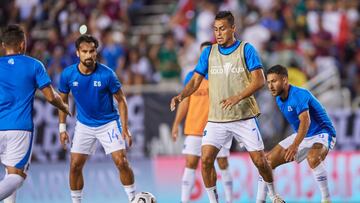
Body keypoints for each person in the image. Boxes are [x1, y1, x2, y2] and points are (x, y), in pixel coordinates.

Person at [170, 11, 284, 203]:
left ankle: (273, 194)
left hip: (244, 116)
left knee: (260, 161)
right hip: (217, 120)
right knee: (206, 160)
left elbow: (260, 80)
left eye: (222, 29)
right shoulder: (208, 52)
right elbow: (196, 80)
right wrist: (181, 96)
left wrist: (238, 97)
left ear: (233, 28)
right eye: (215, 30)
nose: (218, 33)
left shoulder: (246, 49)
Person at [58, 34, 136, 203]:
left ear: (96, 52)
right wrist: (62, 128)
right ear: (77, 53)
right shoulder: (68, 75)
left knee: (121, 162)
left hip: (108, 123)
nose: (88, 55)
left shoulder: (107, 74)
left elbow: (121, 101)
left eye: (92, 51)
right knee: (75, 166)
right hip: (84, 125)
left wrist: (125, 128)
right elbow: (62, 101)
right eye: (84, 51)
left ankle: (133, 199)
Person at [0, 24, 70, 203]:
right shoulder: (34, 65)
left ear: (3, 45)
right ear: (23, 44)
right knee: (16, 176)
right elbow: (50, 96)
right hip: (19, 128)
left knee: (9, 173)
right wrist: (63, 106)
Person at [256, 64, 336, 203]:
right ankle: (265, 200)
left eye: (274, 81)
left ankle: (326, 199)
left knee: (313, 158)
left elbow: (306, 121)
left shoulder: (299, 94)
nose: (270, 86)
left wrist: (294, 145)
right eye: (268, 82)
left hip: (323, 133)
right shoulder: (278, 98)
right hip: (303, 135)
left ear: (285, 80)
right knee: (266, 162)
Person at [172, 42, 233, 203]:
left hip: (217, 127)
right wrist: (176, 124)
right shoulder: (191, 76)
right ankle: (184, 201)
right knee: (190, 163)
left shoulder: (221, 74)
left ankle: (229, 200)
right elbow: (185, 102)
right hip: (194, 127)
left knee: (222, 162)